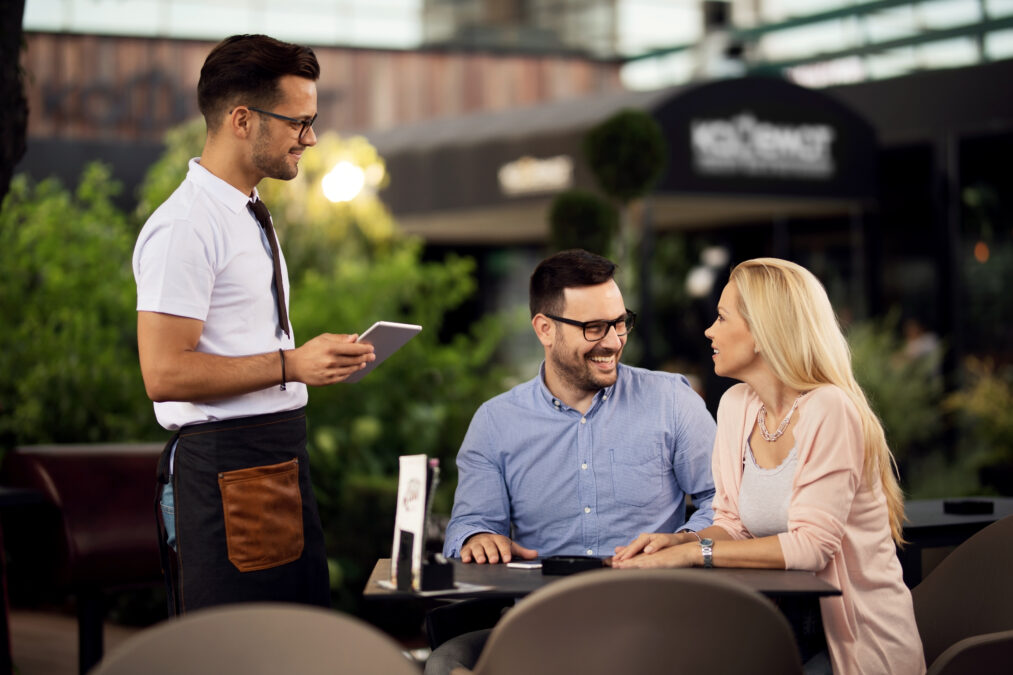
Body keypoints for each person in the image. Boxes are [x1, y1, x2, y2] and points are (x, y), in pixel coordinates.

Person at [133, 34, 375, 614]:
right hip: (225, 470)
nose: (310, 138)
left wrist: (309, 365)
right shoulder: (186, 226)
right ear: (243, 119)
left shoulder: (246, 209)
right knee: (238, 651)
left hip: (275, 460)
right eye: (299, 122)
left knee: (295, 643)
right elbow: (164, 373)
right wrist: (292, 365)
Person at [613, 258, 925, 675]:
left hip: (854, 646)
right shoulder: (736, 406)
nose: (709, 330)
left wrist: (696, 555)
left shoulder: (829, 408)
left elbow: (813, 546)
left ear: (762, 331)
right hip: (779, 625)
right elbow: (733, 524)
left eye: (722, 317)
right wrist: (679, 542)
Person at [427, 249, 716, 675]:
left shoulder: (672, 401)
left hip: (655, 623)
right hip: (542, 626)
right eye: (595, 327)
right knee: (445, 663)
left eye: (620, 323)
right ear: (544, 329)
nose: (614, 341)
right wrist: (477, 538)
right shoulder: (495, 422)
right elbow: (470, 523)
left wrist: (683, 543)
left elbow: (724, 502)